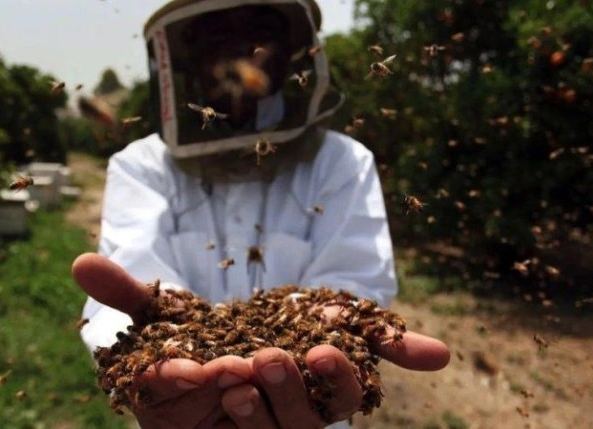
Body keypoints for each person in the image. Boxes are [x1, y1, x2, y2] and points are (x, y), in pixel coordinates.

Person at [71, 1, 451, 428]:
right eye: (216, 31)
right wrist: (159, 354)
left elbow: (354, 284)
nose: (239, 48)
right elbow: (125, 298)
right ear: (188, 52)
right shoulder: (140, 165)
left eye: (258, 29)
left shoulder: (341, 160)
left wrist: (331, 324)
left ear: (290, 49)